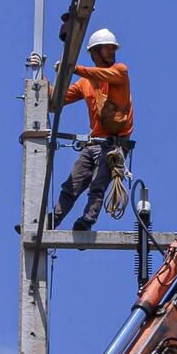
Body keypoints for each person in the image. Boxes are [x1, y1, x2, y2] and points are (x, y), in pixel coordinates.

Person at [48, 28, 134, 231]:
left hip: (113, 145)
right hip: (95, 143)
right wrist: (40, 81)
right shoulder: (85, 83)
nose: (112, 52)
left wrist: (72, 68)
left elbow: (102, 74)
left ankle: (87, 220)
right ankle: (53, 220)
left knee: (97, 185)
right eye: (107, 48)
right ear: (95, 52)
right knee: (71, 185)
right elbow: (57, 100)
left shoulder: (119, 71)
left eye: (113, 48)